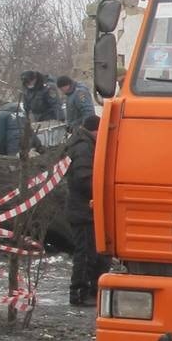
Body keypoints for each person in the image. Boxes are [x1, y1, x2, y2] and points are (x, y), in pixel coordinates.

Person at [65, 115, 107, 307]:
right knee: (85, 253)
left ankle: (91, 290)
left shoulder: (85, 144)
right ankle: (79, 293)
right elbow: (84, 179)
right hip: (83, 210)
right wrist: (102, 191)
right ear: (95, 130)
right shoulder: (83, 148)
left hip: (88, 209)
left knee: (96, 253)